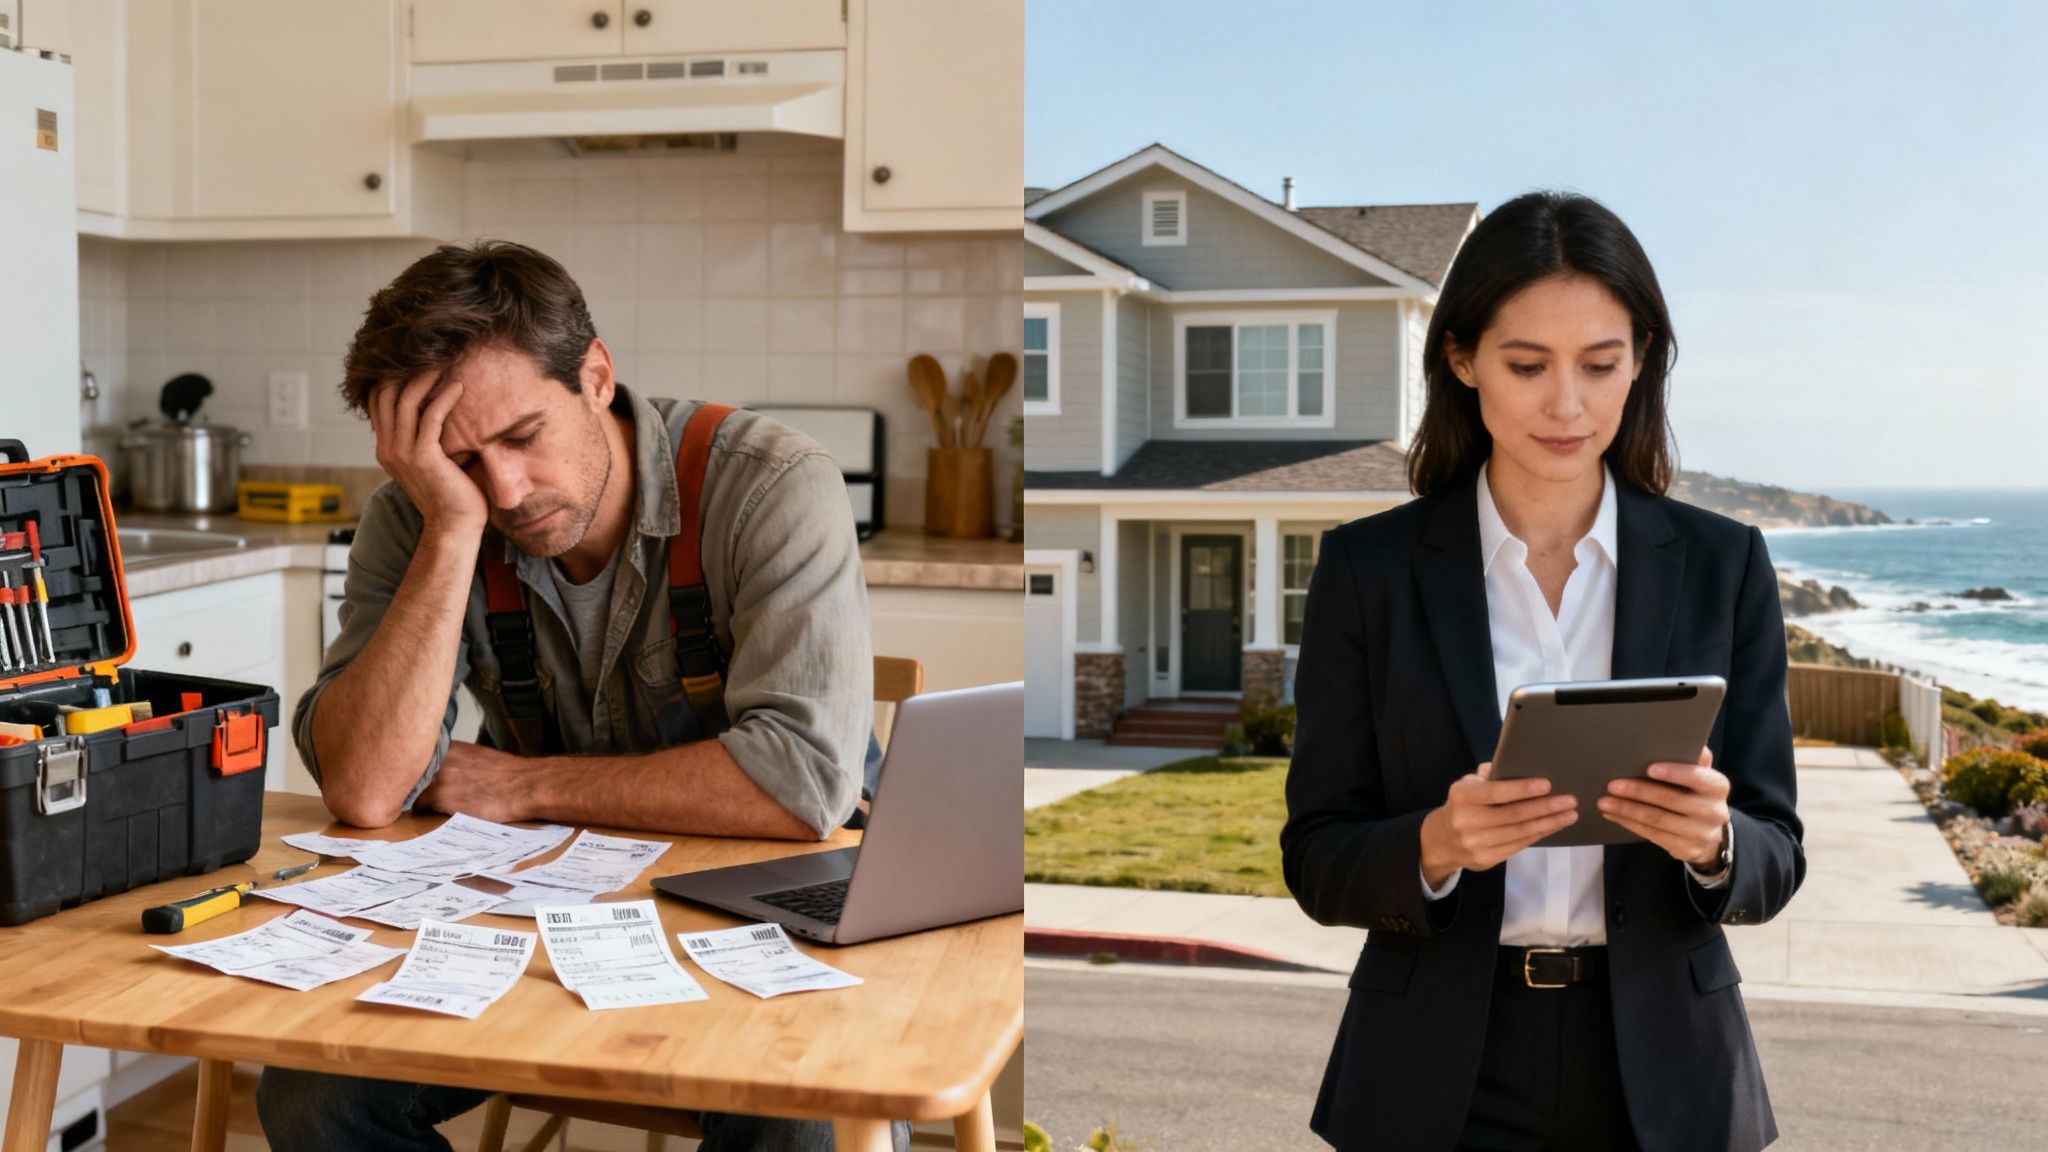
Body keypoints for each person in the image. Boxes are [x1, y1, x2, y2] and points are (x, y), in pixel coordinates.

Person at [259, 239, 907, 1152]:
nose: (507, 491)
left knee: (802, 1115)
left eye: (522, 438)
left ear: (596, 375)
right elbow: (367, 789)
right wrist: (448, 529)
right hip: (545, 908)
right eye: (461, 461)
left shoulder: (771, 483)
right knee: (312, 1095)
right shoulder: (420, 515)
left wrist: (522, 787)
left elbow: (800, 786)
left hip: (767, 910)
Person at [1281, 192, 1804, 1152]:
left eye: (1601, 365)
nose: (1568, 405)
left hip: (1667, 1071)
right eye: (1527, 365)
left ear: (1641, 361)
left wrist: (1716, 842)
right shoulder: (1370, 571)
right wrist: (1436, 843)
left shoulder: (1726, 565)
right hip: (1435, 1071)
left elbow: (1779, 849)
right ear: (1462, 358)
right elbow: (1316, 855)